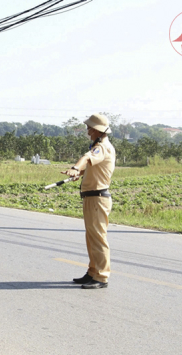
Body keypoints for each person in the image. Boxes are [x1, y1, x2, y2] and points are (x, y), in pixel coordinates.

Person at [61, 113, 116, 289]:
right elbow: (94, 168)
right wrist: (80, 173)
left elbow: (86, 158)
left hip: (97, 198)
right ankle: (92, 272)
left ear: (97, 130)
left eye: (89, 128)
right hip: (92, 197)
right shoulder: (100, 146)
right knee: (91, 237)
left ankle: (101, 276)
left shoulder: (101, 147)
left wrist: (75, 167)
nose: (88, 131)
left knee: (98, 238)